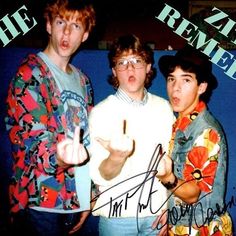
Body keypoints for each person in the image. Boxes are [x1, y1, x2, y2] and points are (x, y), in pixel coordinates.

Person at [5, 0, 96, 235]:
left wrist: (86, 194)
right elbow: (35, 149)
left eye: (76, 26)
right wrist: (62, 157)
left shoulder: (83, 81)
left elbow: (85, 143)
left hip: (73, 203)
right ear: (48, 26)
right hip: (39, 207)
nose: (66, 32)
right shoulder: (29, 75)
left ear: (85, 35)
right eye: (60, 22)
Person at [88, 34, 175, 235]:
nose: (129, 68)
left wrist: (172, 206)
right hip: (117, 217)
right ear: (114, 71)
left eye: (137, 61)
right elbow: (102, 174)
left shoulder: (164, 108)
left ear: (148, 67)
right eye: (122, 62)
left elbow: (174, 163)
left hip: (157, 214)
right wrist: (116, 157)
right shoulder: (101, 112)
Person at [155, 45, 233, 235]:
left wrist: (167, 178)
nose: (175, 88)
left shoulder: (206, 131)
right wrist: (171, 213)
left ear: (202, 87)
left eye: (186, 80)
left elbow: (192, 194)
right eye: (171, 79)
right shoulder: (180, 123)